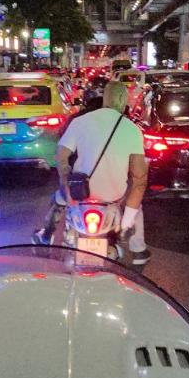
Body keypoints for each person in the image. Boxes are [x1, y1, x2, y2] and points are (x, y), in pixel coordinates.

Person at [33, 79, 149, 262]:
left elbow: (61, 156)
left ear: (105, 99)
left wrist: (66, 184)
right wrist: (127, 221)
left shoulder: (80, 121)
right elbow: (139, 179)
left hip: (79, 193)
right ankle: (138, 250)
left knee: (58, 199)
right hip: (114, 196)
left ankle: (46, 236)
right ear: (123, 100)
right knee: (136, 205)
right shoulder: (133, 130)